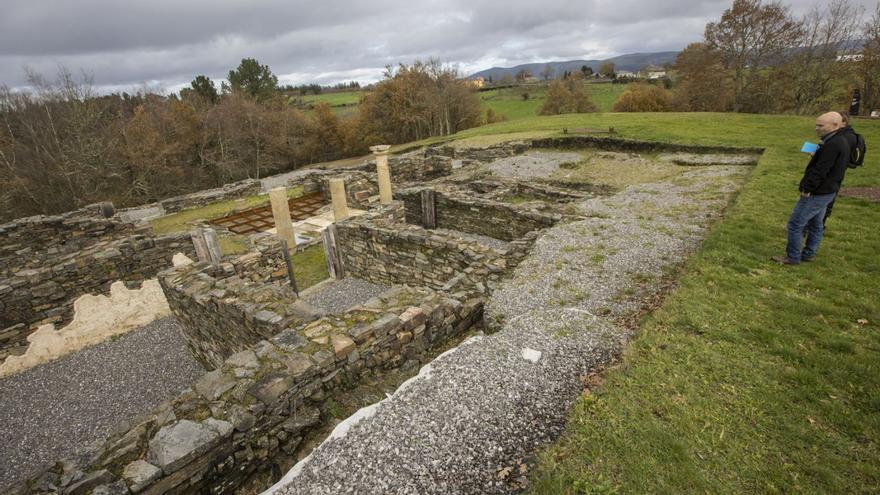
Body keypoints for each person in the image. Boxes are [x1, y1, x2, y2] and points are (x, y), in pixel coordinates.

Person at [772, 112, 851, 265]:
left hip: (818, 192)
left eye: (821, 126)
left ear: (835, 125)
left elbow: (821, 171)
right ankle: (809, 253)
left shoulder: (834, 144)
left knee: (795, 224)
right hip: (827, 191)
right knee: (816, 224)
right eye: (816, 125)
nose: (816, 128)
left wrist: (807, 188)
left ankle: (793, 257)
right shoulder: (837, 140)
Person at [821, 111, 857, 225]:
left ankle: (820, 223)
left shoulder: (845, 137)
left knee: (826, 199)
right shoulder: (840, 136)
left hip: (833, 175)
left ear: (843, 122)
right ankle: (818, 224)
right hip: (833, 172)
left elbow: (838, 156)